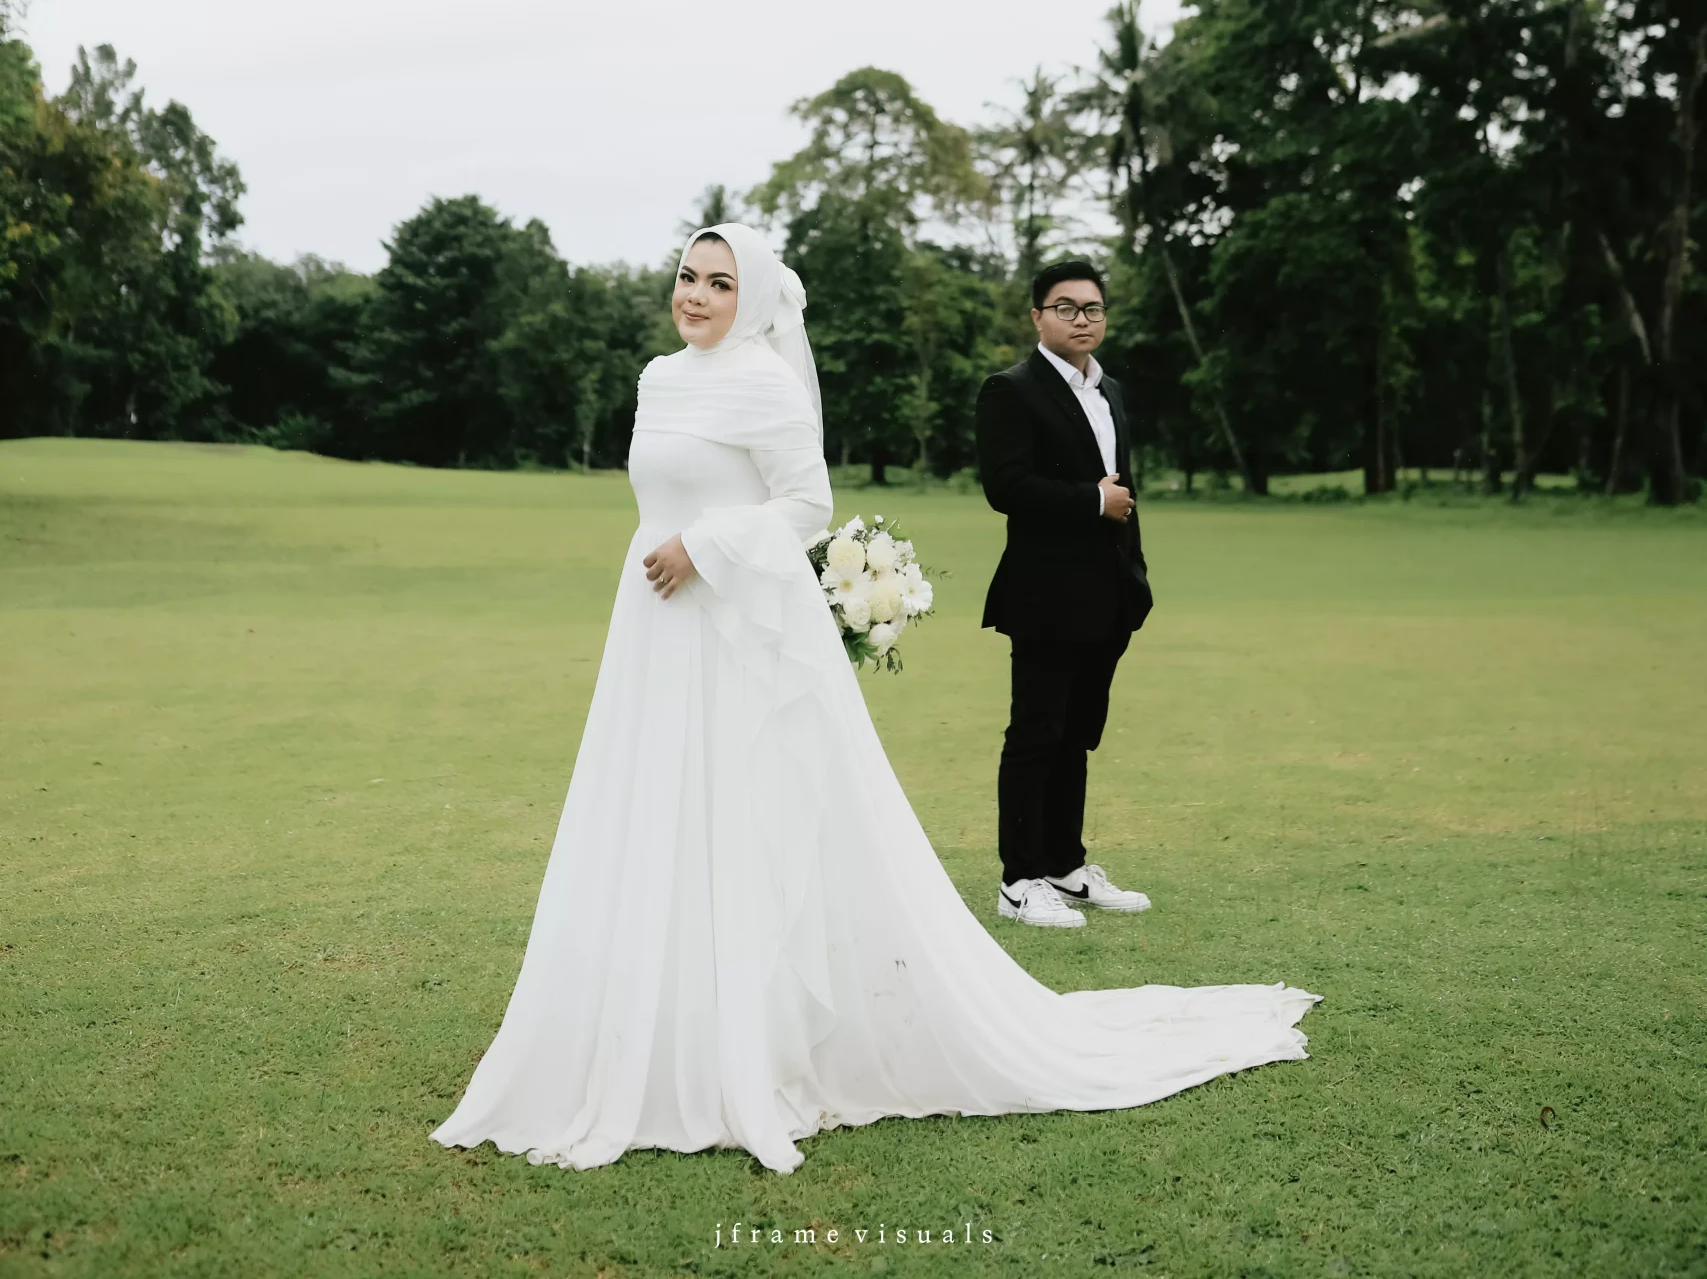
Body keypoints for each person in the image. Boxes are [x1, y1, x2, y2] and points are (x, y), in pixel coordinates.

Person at [432, 224, 1315, 1176]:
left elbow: (803, 505)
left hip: (732, 625)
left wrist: (706, 547)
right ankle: (659, 1022)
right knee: (659, 812)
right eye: (687, 276)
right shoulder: (657, 378)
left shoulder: (765, 382)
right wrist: (672, 547)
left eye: (720, 283)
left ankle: (759, 1035)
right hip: (656, 625)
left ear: (752, 297)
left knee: (748, 816)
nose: (695, 295)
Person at [975, 259, 1152, 930]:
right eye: (1066, 307)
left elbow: (1125, 492)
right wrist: (1090, 501)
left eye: (1093, 308)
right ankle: (1018, 880)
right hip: (1044, 594)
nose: (1082, 319)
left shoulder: (1111, 392)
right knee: (1035, 734)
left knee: (1077, 734)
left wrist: (1135, 576)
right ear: (1037, 316)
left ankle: (1064, 866)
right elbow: (1006, 486)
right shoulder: (1011, 390)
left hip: (1109, 593)